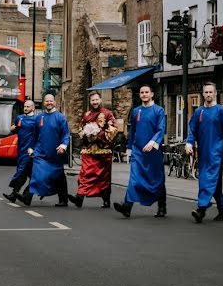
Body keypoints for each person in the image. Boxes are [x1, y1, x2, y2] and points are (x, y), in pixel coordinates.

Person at [185, 82, 223, 223]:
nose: (208, 94)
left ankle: (201, 209)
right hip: (203, 152)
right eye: (206, 92)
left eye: (211, 92)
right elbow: (192, 129)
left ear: (215, 93)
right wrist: (189, 143)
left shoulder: (221, 110)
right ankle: (222, 208)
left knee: (205, 178)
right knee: (214, 182)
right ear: (203, 94)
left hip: (216, 151)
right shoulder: (198, 112)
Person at [114, 85, 167, 218]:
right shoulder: (136, 111)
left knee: (157, 179)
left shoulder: (158, 110)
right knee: (134, 178)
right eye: (142, 92)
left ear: (152, 94)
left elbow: (161, 129)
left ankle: (162, 206)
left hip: (153, 152)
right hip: (138, 151)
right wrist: (129, 148)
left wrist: (152, 143)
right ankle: (127, 206)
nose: (144, 94)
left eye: (146, 92)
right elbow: (132, 131)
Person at [17, 94, 70, 207]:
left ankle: (63, 199)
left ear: (54, 102)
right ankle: (27, 197)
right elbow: (35, 135)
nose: (49, 103)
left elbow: (66, 134)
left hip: (55, 154)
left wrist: (63, 145)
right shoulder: (39, 117)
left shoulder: (61, 117)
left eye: (51, 101)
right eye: (47, 101)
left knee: (59, 176)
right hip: (41, 152)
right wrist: (32, 147)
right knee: (37, 173)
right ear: (44, 103)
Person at [69, 92, 117, 208]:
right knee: (85, 173)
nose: (95, 102)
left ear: (100, 99)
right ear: (90, 101)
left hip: (103, 151)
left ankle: (106, 200)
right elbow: (80, 129)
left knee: (104, 177)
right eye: (92, 100)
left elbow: (113, 129)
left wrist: (99, 134)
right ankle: (79, 197)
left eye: (96, 99)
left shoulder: (108, 113)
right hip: (89, 150)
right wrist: (87, 134)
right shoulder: (87, 115)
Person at [3, 100, 40, 203]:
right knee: (31, 175)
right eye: (25, 106)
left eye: (28, 107)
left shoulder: (37, 119)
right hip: (20, 149)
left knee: (21, 172)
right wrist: (12, 128)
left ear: (33, 108)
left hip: (30, 151)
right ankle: (24, 197)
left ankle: (14, 194)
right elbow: (15, 129)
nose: (26, 108)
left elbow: (40, 134)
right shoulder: (20, 118)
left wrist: (34, 148)